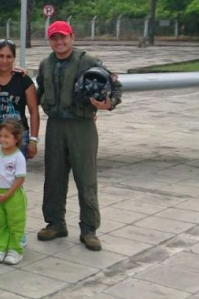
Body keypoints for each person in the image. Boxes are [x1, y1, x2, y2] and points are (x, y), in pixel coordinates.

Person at [36, 21, 122, 252]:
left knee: (86, 179)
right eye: (54, 38)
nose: (59, 42)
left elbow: (116, 86)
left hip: (81, 126)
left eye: (63, 37)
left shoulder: (89, 61)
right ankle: (55, 223)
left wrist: (107, 104)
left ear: (72, 37)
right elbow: (38, 92)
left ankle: (89, 229)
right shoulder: (45, 64)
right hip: (55, 126)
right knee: (54, 177)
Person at [0, 39, 40, 159]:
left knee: (16, 175)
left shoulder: (23, 80)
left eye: (9, 56)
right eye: (0, 56)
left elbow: (34, 112)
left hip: (19, 137)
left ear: (14, 58)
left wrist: (33, 140)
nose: (4, 61)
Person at [0, 120, 28, 265]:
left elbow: (20, 179)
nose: (3, 139)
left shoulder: (18, 157)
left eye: (7, 136)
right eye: (0, 136)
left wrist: (7, 195)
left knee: (15, 223)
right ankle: (0, 247)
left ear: (16, 138)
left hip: (13, 194)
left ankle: (15, 250)